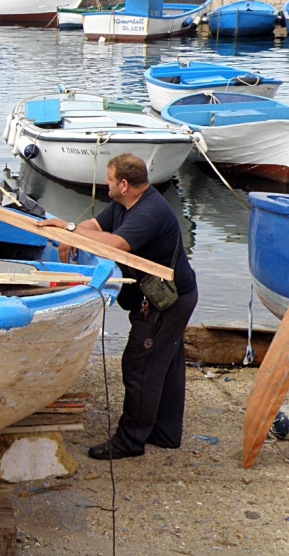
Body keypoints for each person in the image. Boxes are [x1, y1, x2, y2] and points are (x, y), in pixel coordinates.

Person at [37, 153, 198, 460]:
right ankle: (164, 433)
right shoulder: (125, 204)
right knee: (166, 363)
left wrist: (68, 231)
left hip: (167, 301)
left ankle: (130, 441)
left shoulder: (149, 212)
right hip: (173, 295)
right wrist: (73, 235)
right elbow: (96, 226)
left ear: (124, 184)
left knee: (141, 366)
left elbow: (115, 245)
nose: (105, 183)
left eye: (109, 180)